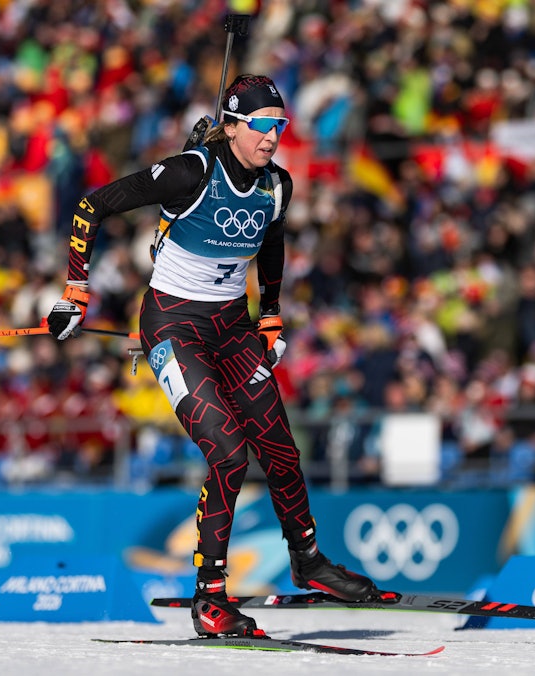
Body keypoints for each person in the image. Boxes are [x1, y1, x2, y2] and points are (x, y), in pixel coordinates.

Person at [46, 74, 378, 638]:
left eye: (280, 125)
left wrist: (271, 315)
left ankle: (308, 560)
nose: (272, 137)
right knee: (228, 453)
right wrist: (75, 293)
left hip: (232, 326)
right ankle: (211, 599)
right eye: (262, 126)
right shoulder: (191, 172)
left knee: (279, 447)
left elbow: (272, 246)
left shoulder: (278, 185)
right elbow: (91, 205)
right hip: (174, 326)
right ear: (231, 125)